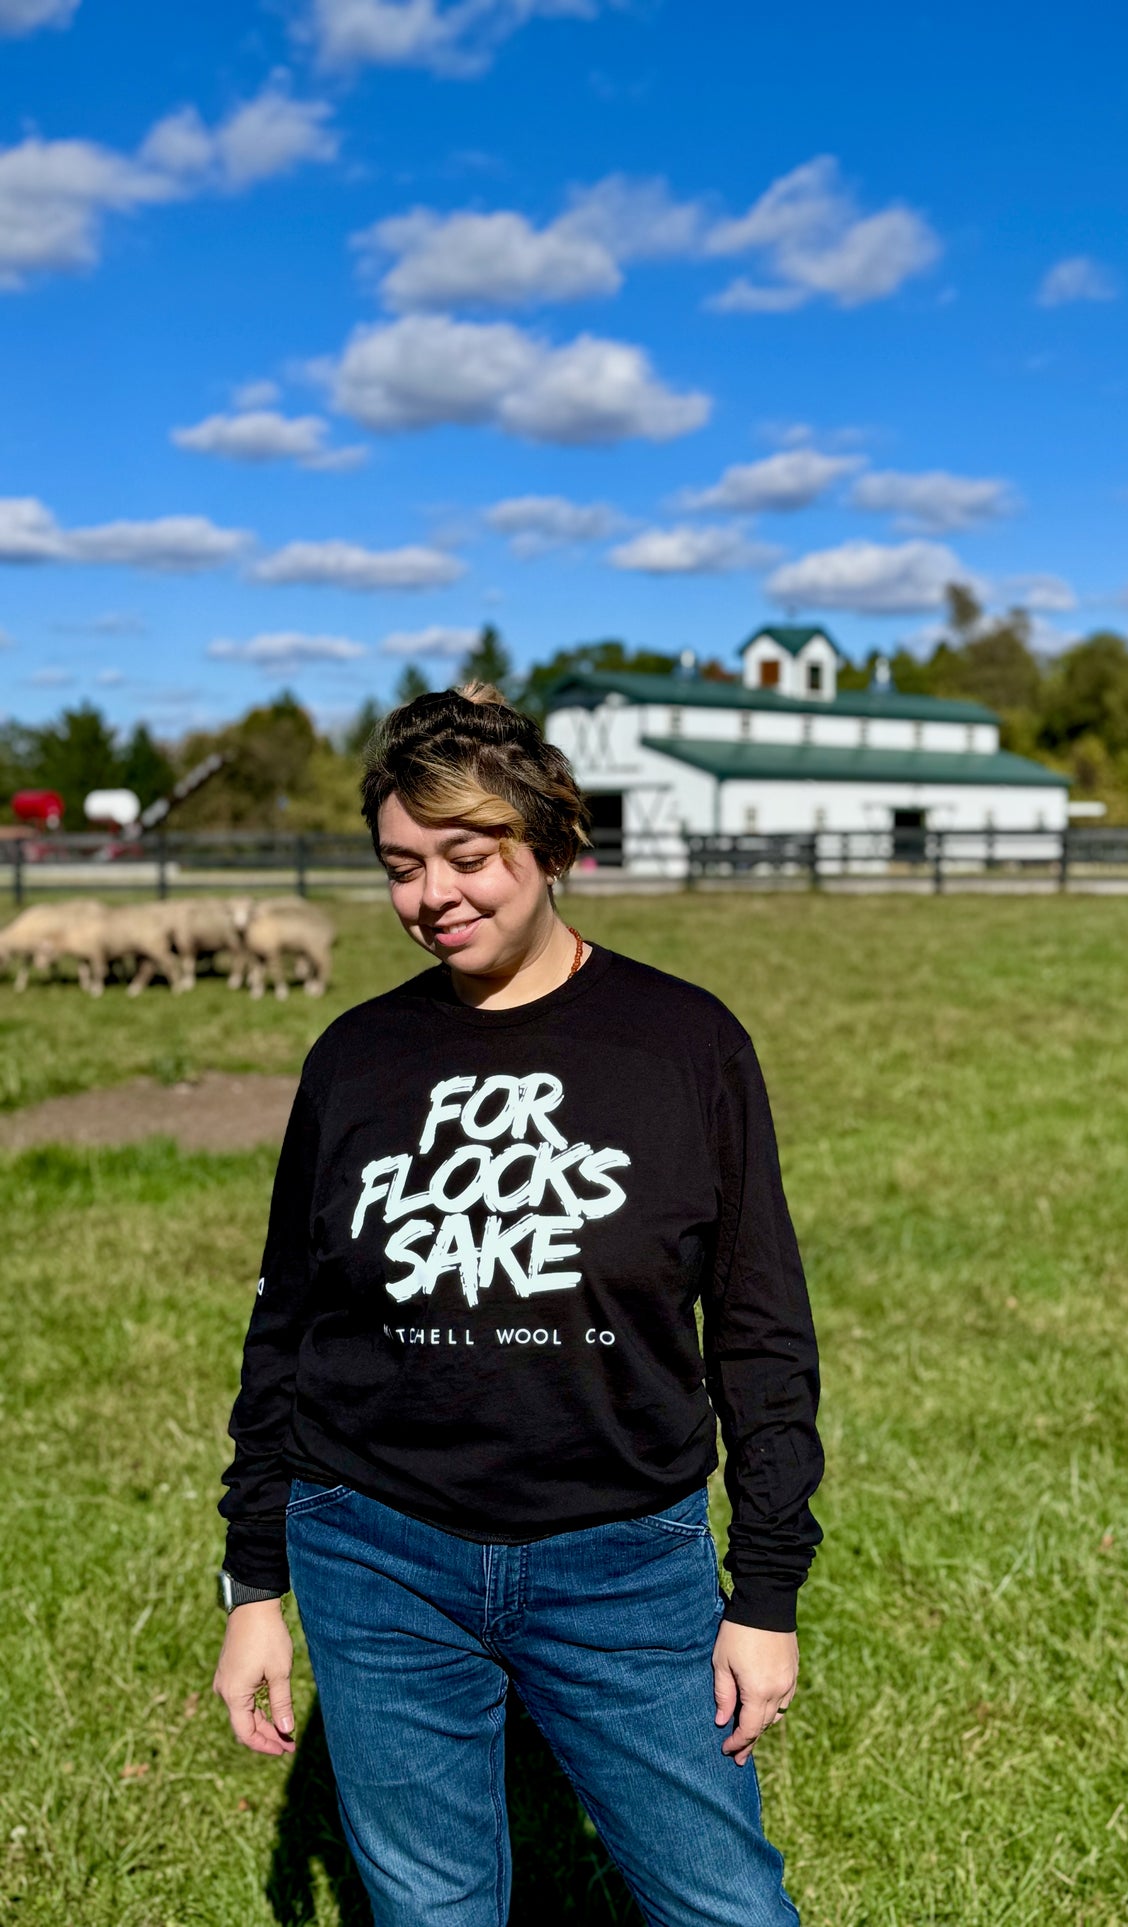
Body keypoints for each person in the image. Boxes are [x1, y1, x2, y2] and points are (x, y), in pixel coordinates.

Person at [212, 683, 824, 1927]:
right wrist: (253, 1580)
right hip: (372, 1551)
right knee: (431, 1911)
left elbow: (758, 1329)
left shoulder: (684, 1043)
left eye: (467, 856)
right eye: (399, 866)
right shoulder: (353, 1058)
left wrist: (763, 1592)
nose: (432, 895)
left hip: (621, 1563)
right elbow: (286, 1326)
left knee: (722, 1906)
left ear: (551, 846)